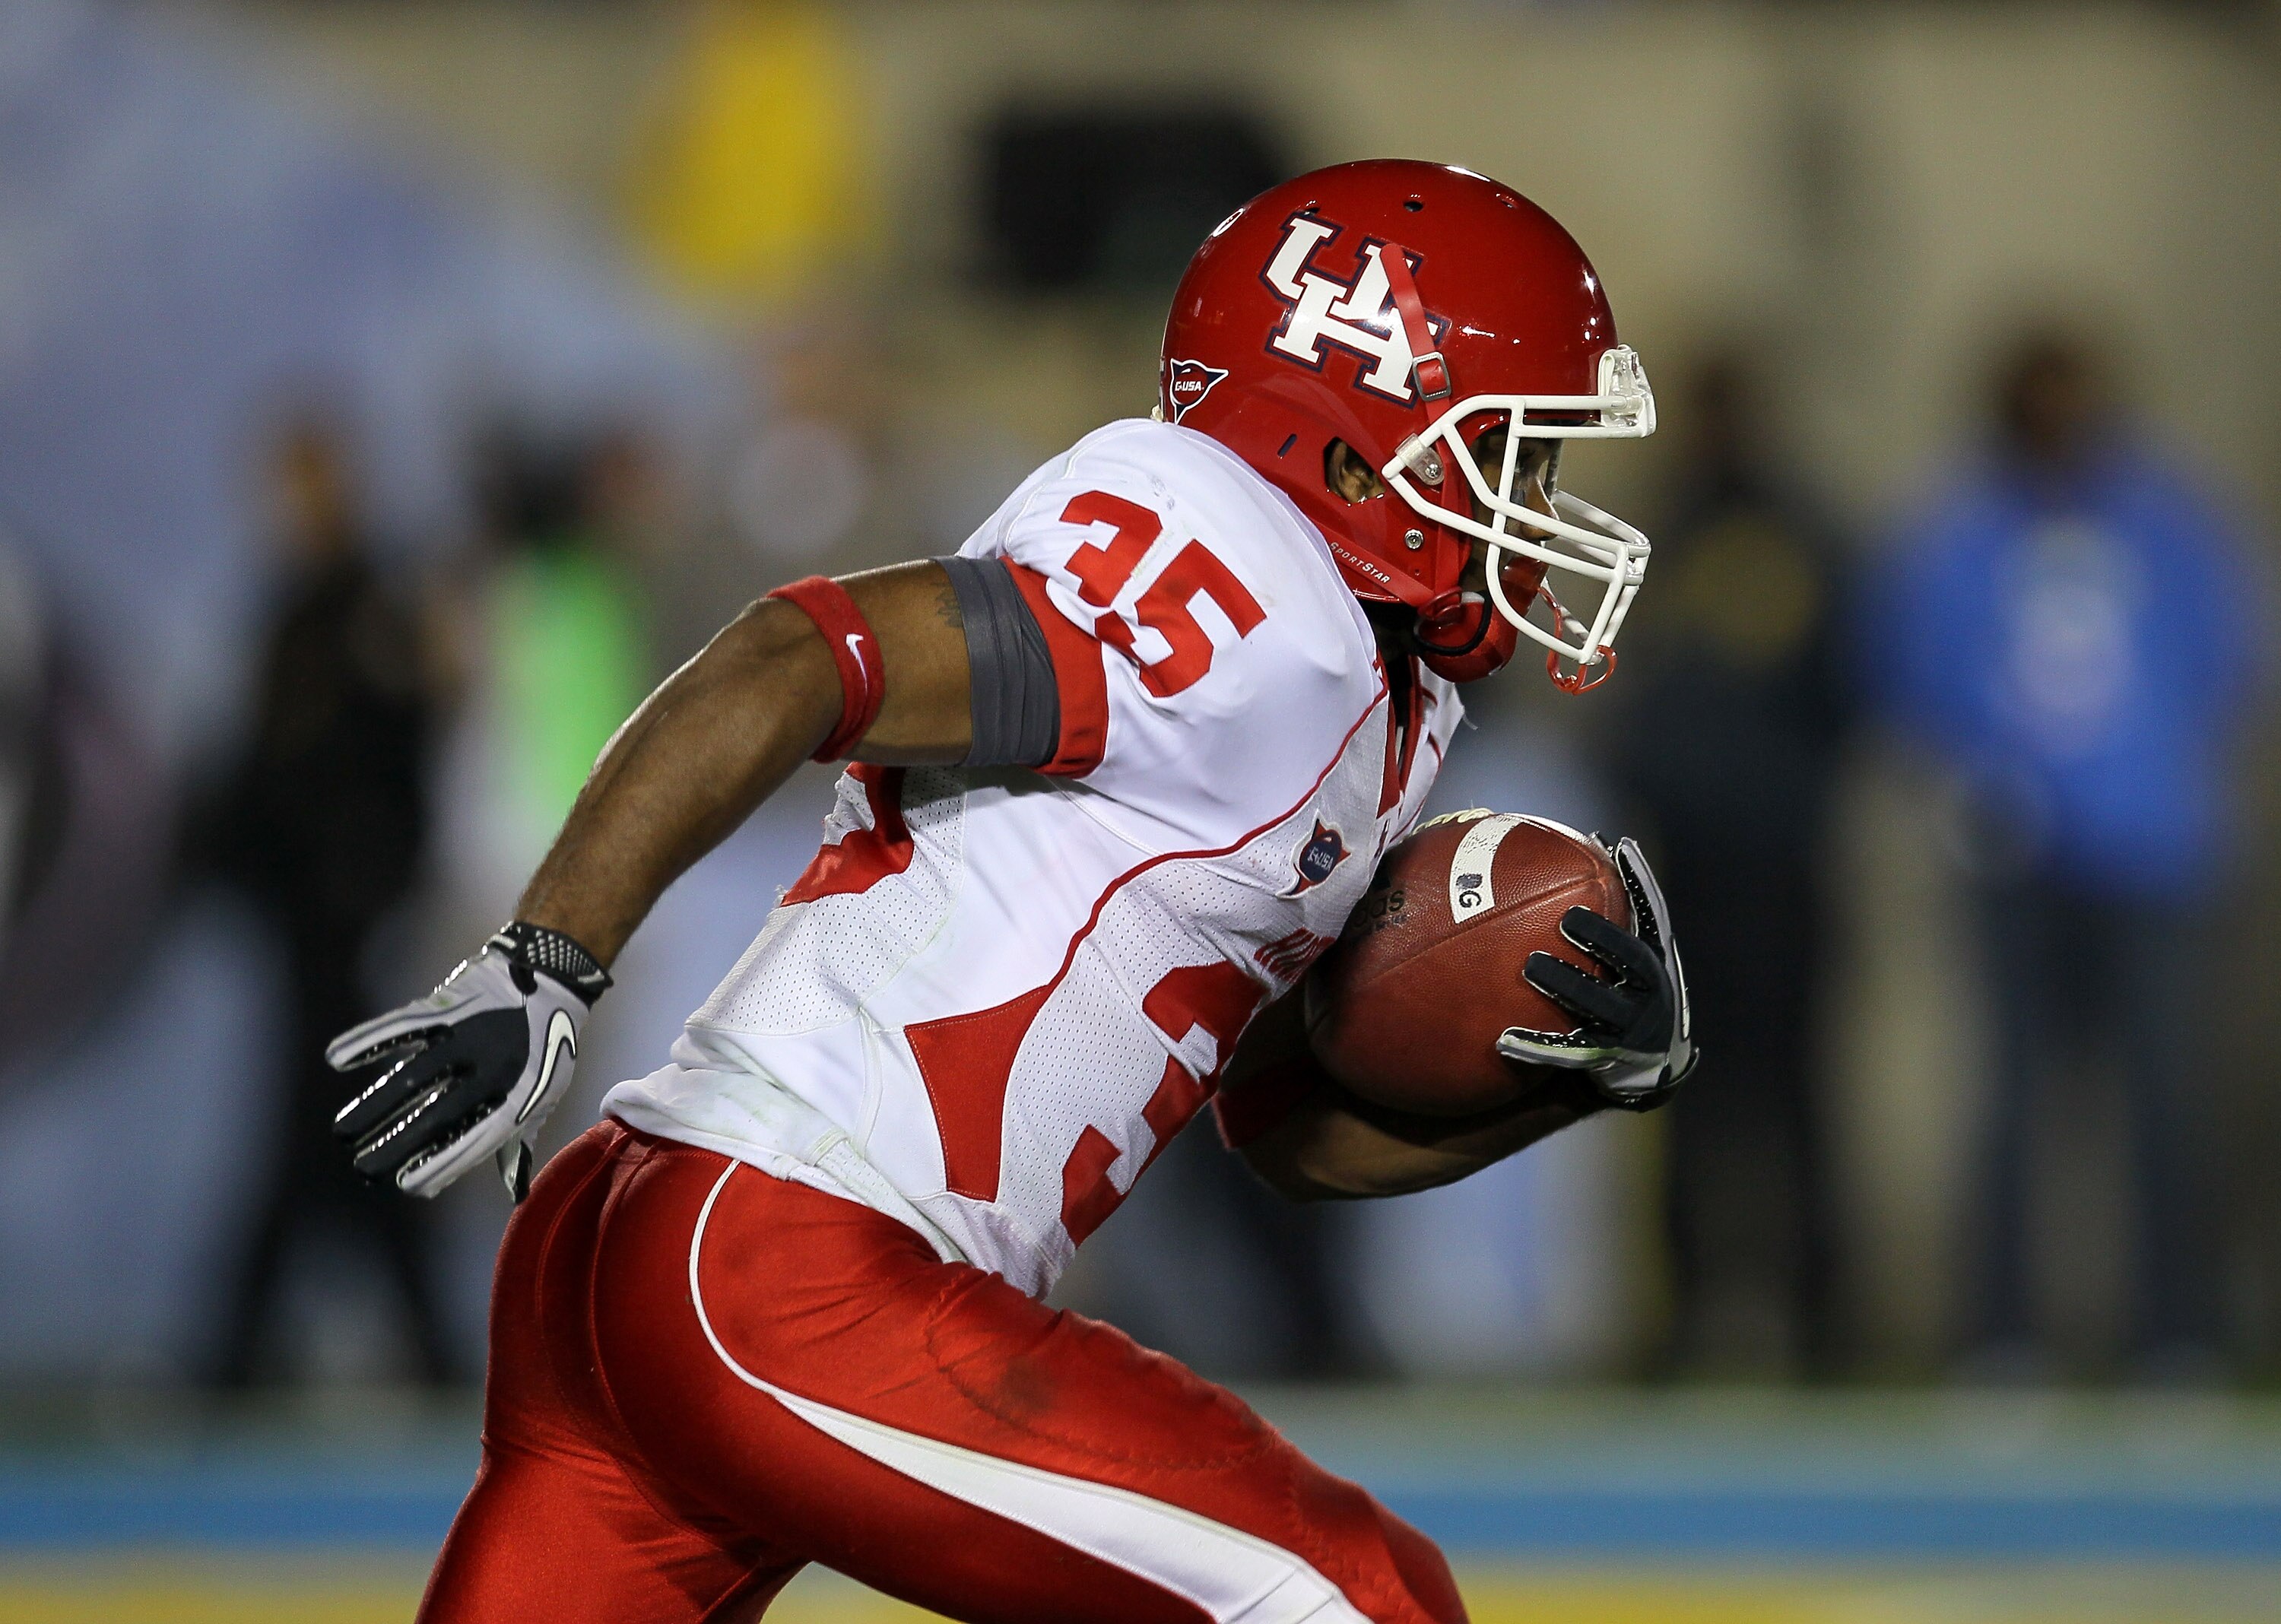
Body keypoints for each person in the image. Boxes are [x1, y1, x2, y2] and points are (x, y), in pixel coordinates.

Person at [322, 162, 1696, 1621]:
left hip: (652, 1241)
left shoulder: (1360, 686)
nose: (1538, 509)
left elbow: (1280, 1128)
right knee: (1351, 1597)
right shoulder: (1242, 594)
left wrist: (1572, 1074)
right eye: (1514, 457)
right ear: (1357, 450)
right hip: (785, 1251)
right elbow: (799, 656)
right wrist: (548, 956)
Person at [1867, 328, 2265, 1378]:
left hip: (2152, 859)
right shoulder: (1956, 530)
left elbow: (2229, 665)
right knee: (2009, 1107)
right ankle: (2001, 1340)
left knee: (2167, 1099)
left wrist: (2145, 788)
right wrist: (1977, 780)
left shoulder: (2169, 521)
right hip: (2016, 860)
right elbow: (1915, 680)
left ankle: (2179, 1338)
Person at [1602, 355, 1853, 1378]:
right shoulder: (1653, 534)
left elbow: (1845, 694)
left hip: (1781, 865)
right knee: (1673, 1095)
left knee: (1797, 1096)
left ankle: (1821, 1312)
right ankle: (1682, 1310)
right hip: (1681, 868)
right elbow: (1623, 696)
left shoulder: (1807, 534)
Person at [208, 416, 452, 1387]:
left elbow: (401, 752)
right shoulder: (295, 608)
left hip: (349, 913)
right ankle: (415, 1343)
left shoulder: (372, 605)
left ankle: (236, 1349)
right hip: (304, 915)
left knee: (327, 1120)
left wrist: (375, 880)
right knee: (344, 1122)